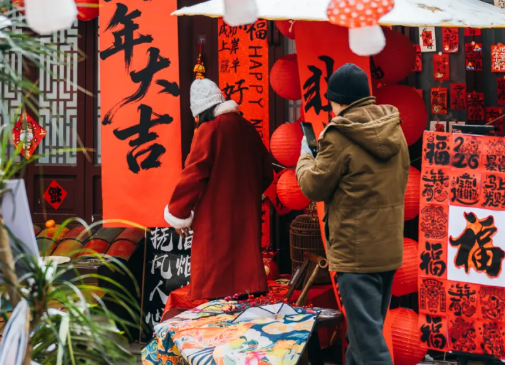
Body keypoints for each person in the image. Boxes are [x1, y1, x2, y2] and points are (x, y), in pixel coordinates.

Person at [296, 63, 410, 365]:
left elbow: (314, 185)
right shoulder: (393, 127)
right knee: (360, 342)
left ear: (337, 100)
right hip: (387, 248)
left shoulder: (339, 134)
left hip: (356, 252)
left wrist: (305, 157)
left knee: (368, 346)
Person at [164, 78, 274, 301]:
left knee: (216, 293)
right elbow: (266, 173)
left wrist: (178, 213)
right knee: (245, 291)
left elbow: (193, 175)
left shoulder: (209, 130)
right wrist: (246, 194)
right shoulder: (247, 128)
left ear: (201, 111)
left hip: (213, 223)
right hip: (246, 219)